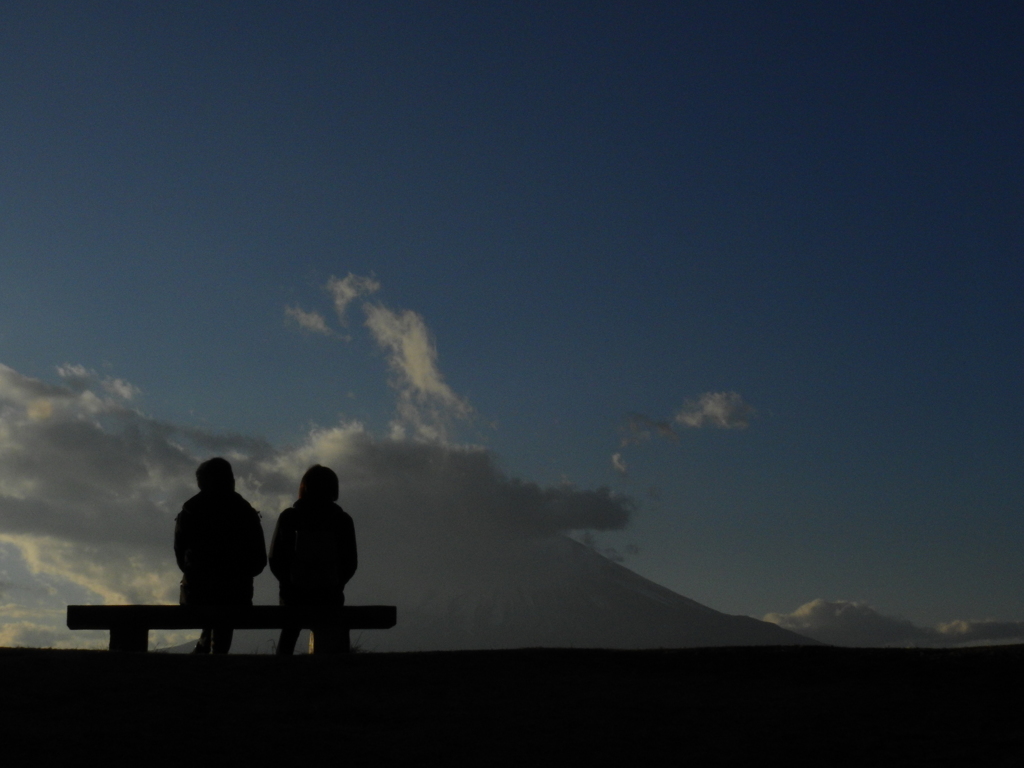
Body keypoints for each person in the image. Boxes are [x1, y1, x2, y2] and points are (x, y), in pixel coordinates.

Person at [174, 457, 267, 654]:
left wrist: (196, 572)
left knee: (212, 607)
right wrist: (241, 573)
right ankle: (214, 653)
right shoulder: (244, 511)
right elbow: (259, 559)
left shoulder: (190, 511)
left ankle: (203, 648)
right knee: (225, 615)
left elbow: (180, 555)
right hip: (236, 593)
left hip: (197, 592)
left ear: (201, 482)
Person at [269, 464, 357, 655]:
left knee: (288, 637)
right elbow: (350, 562)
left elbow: (276, 559)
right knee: (331, 642)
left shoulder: (289, 517)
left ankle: (279, 675)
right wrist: (336, 584)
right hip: (329, 595)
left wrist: (288, 584)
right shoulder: (342, 520)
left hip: (294, 596)